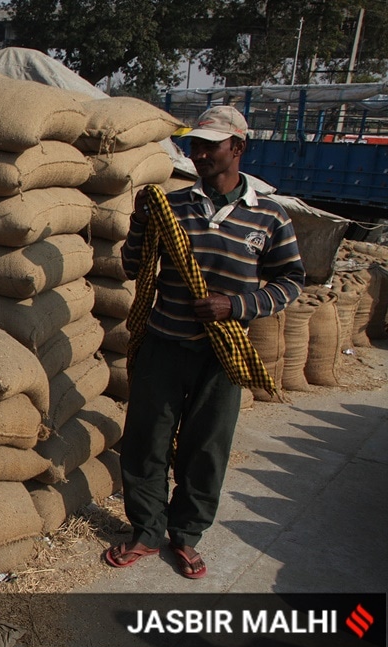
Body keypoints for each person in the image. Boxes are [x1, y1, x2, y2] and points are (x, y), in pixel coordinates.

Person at [104, 106, 305, 579]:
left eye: (209, 145)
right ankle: (147, 532)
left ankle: (186, 535)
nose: (197, 153)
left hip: (222, 353)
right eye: (194, 145)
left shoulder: (269, 217)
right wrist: (137, 224)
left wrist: (235, 306)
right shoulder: (172, 206)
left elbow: (292, 281)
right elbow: (135, 267)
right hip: (163, 343)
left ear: (237, 148)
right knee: (146, 440)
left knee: (207, 447)